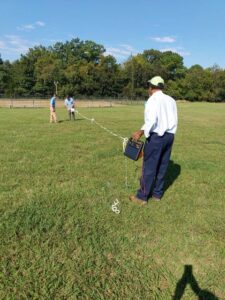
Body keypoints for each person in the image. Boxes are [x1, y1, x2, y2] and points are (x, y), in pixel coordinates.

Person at [129, 76, 178, 205]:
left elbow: (151, 120)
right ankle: (157, 194)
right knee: (163, 165)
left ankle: (142, 197)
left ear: (151, 87)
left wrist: (140, 132)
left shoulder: (152, 100)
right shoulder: (171, 100)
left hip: (157, 137)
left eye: (148, 87)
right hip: (170, 136)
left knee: (149, 166)